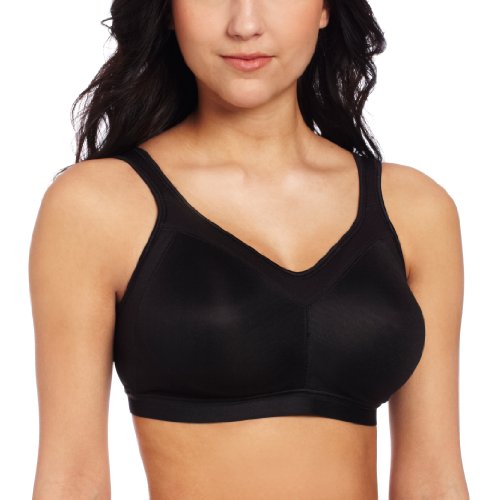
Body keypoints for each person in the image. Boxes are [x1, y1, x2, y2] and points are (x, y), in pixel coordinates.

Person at [29, 0, 469, 498]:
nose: (245, 25)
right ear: (168, 10)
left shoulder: (415, 209)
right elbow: (72, 478)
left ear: (325, 8)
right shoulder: (98, 206)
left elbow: (434, 479)